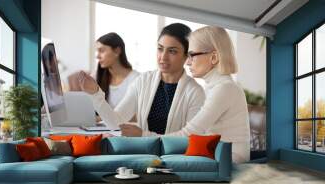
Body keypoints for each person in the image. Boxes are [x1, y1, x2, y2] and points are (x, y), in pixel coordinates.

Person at [118, 26, 251, 163]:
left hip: (230, 162)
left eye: (192, 55)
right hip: (217, 156)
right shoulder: (216, 87)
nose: (187, 62)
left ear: (214, 57)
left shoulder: (224, 89)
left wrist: (142, 135)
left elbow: (189, 135)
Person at [79, 23, 205, 134]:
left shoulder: (195, 92)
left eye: (172, 51)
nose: (163, 57)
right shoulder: (143, 81)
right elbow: (116, 122)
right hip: (143, 152)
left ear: (186, 56)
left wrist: (143, 136)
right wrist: (95, 93)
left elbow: (190, 139)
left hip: (173, 158)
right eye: (160, 49)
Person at [69, 32, 139, 109]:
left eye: (101, 51)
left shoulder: (136, 79)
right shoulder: (96, 76)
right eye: (97, 51)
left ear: (117, 51)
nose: (97, 56)